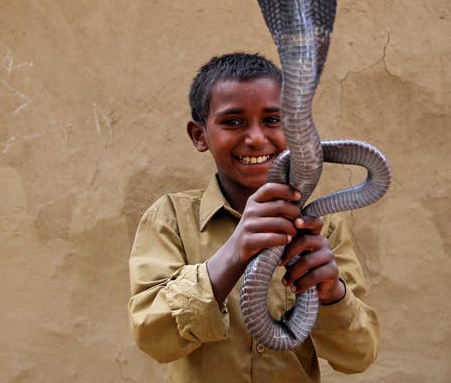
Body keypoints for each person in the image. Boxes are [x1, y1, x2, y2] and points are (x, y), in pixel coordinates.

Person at [128, 52, 379, 382]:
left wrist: (332, 294)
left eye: (273, 120)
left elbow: (358, 356)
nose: (257, 138)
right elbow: (153, 338)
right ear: (199, 135)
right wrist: (234, 253)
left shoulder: (322, 227)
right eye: (233, 122)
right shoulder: (170, 218)